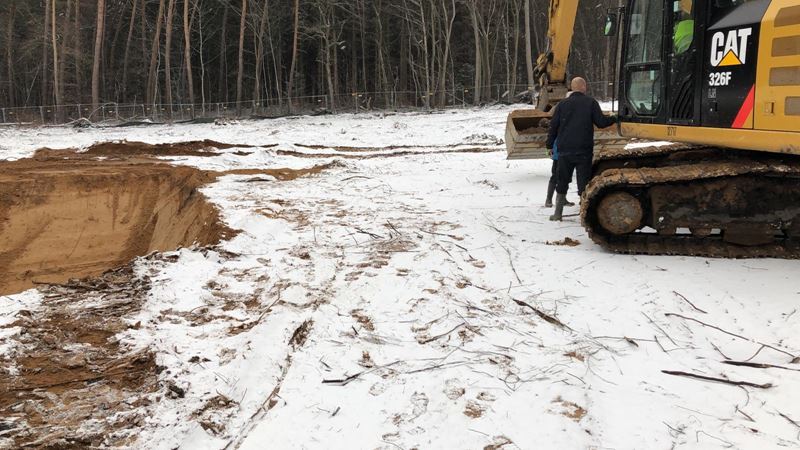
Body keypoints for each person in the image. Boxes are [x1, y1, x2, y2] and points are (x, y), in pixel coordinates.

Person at [545, 77, 617, 221]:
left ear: (572, 88)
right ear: (584, 87)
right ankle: (585, 213)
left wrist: (549, 145)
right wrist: (614, 118)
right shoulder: (590, 102)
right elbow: (601, 123)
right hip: (583, 150)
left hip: (565, 150)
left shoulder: (562, 104)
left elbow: (553, 126)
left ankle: (558, 213)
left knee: (562, 180)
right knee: (584, 182)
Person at [544, 139, 575, 208]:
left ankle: (562, 199)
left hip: (568, 152)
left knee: (566, 177)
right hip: (558, 152)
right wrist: (549, 149)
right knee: (555, 176)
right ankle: (548, 199)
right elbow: (551, 136)